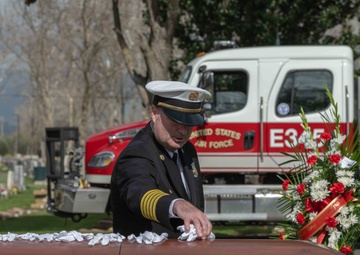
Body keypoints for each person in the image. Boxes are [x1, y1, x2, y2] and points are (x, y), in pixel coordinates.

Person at [111, 80, 213, 239]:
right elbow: (139, 193)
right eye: (176, 120)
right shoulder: (138, 152)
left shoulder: (187, 150)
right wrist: (177, 205)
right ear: (154, 113)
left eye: (189, 123)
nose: (183, 130)